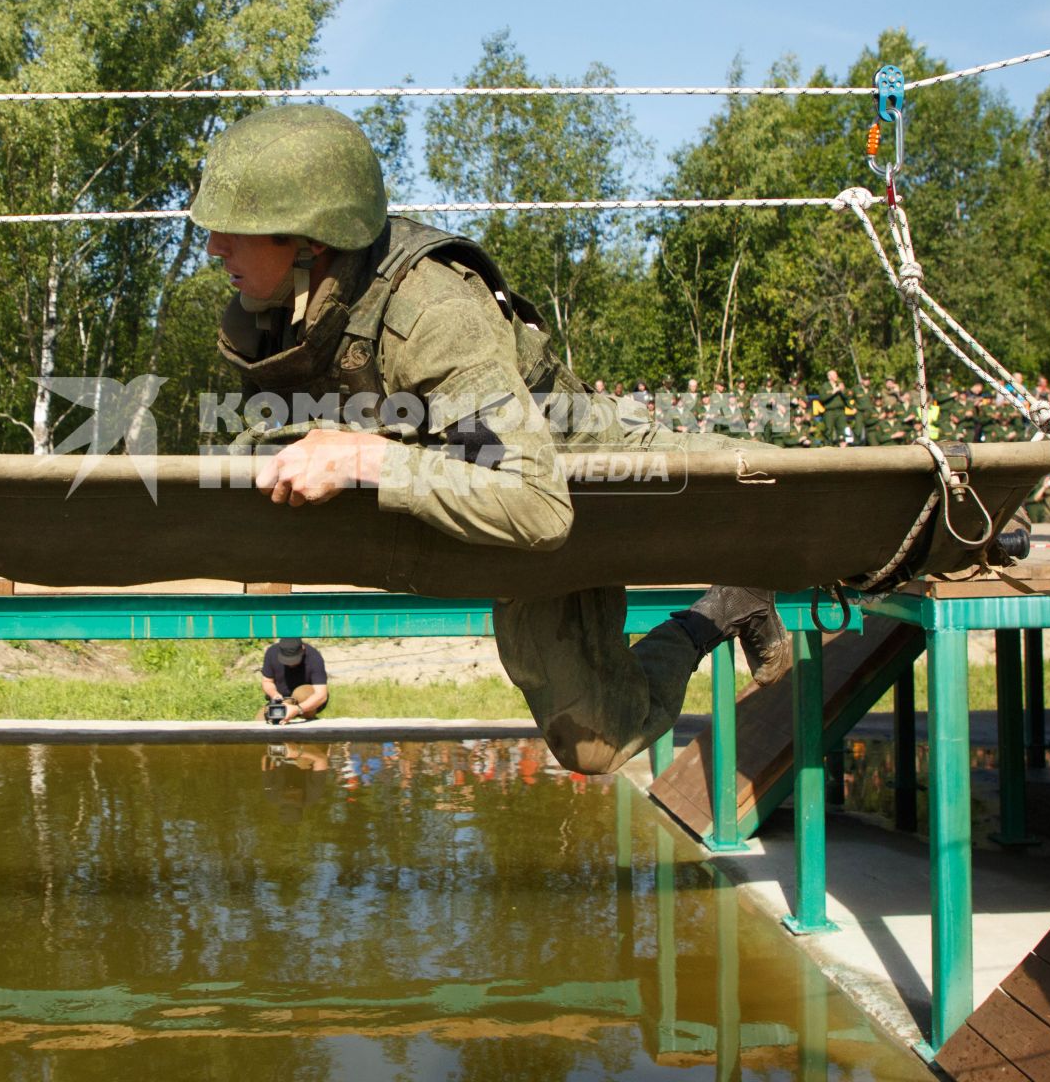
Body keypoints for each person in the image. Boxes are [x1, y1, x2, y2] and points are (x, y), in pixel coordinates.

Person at [195, 105, 789, 775]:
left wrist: (365, 458)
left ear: (311, 241)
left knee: (792, 489)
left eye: (235, 231)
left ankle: (729, 602)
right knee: (595, 748)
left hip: (569, 460)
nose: (215, 247)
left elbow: (535, 502)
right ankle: (733, 603)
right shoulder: (277, 316)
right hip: (460, 477)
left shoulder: (436, 311)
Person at [259, 636, 329, 724]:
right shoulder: (271, 653)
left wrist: (297, 709)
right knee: (260, 721)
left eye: (294, 660)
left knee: (302, 693)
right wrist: (274, 694)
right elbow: (267, 681)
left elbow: (321, 695)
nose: (290, 664)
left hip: (306, 698)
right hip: (283, 699)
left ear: (302, 649)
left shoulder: (314, 657)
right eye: (286, 660)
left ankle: (308, 721)